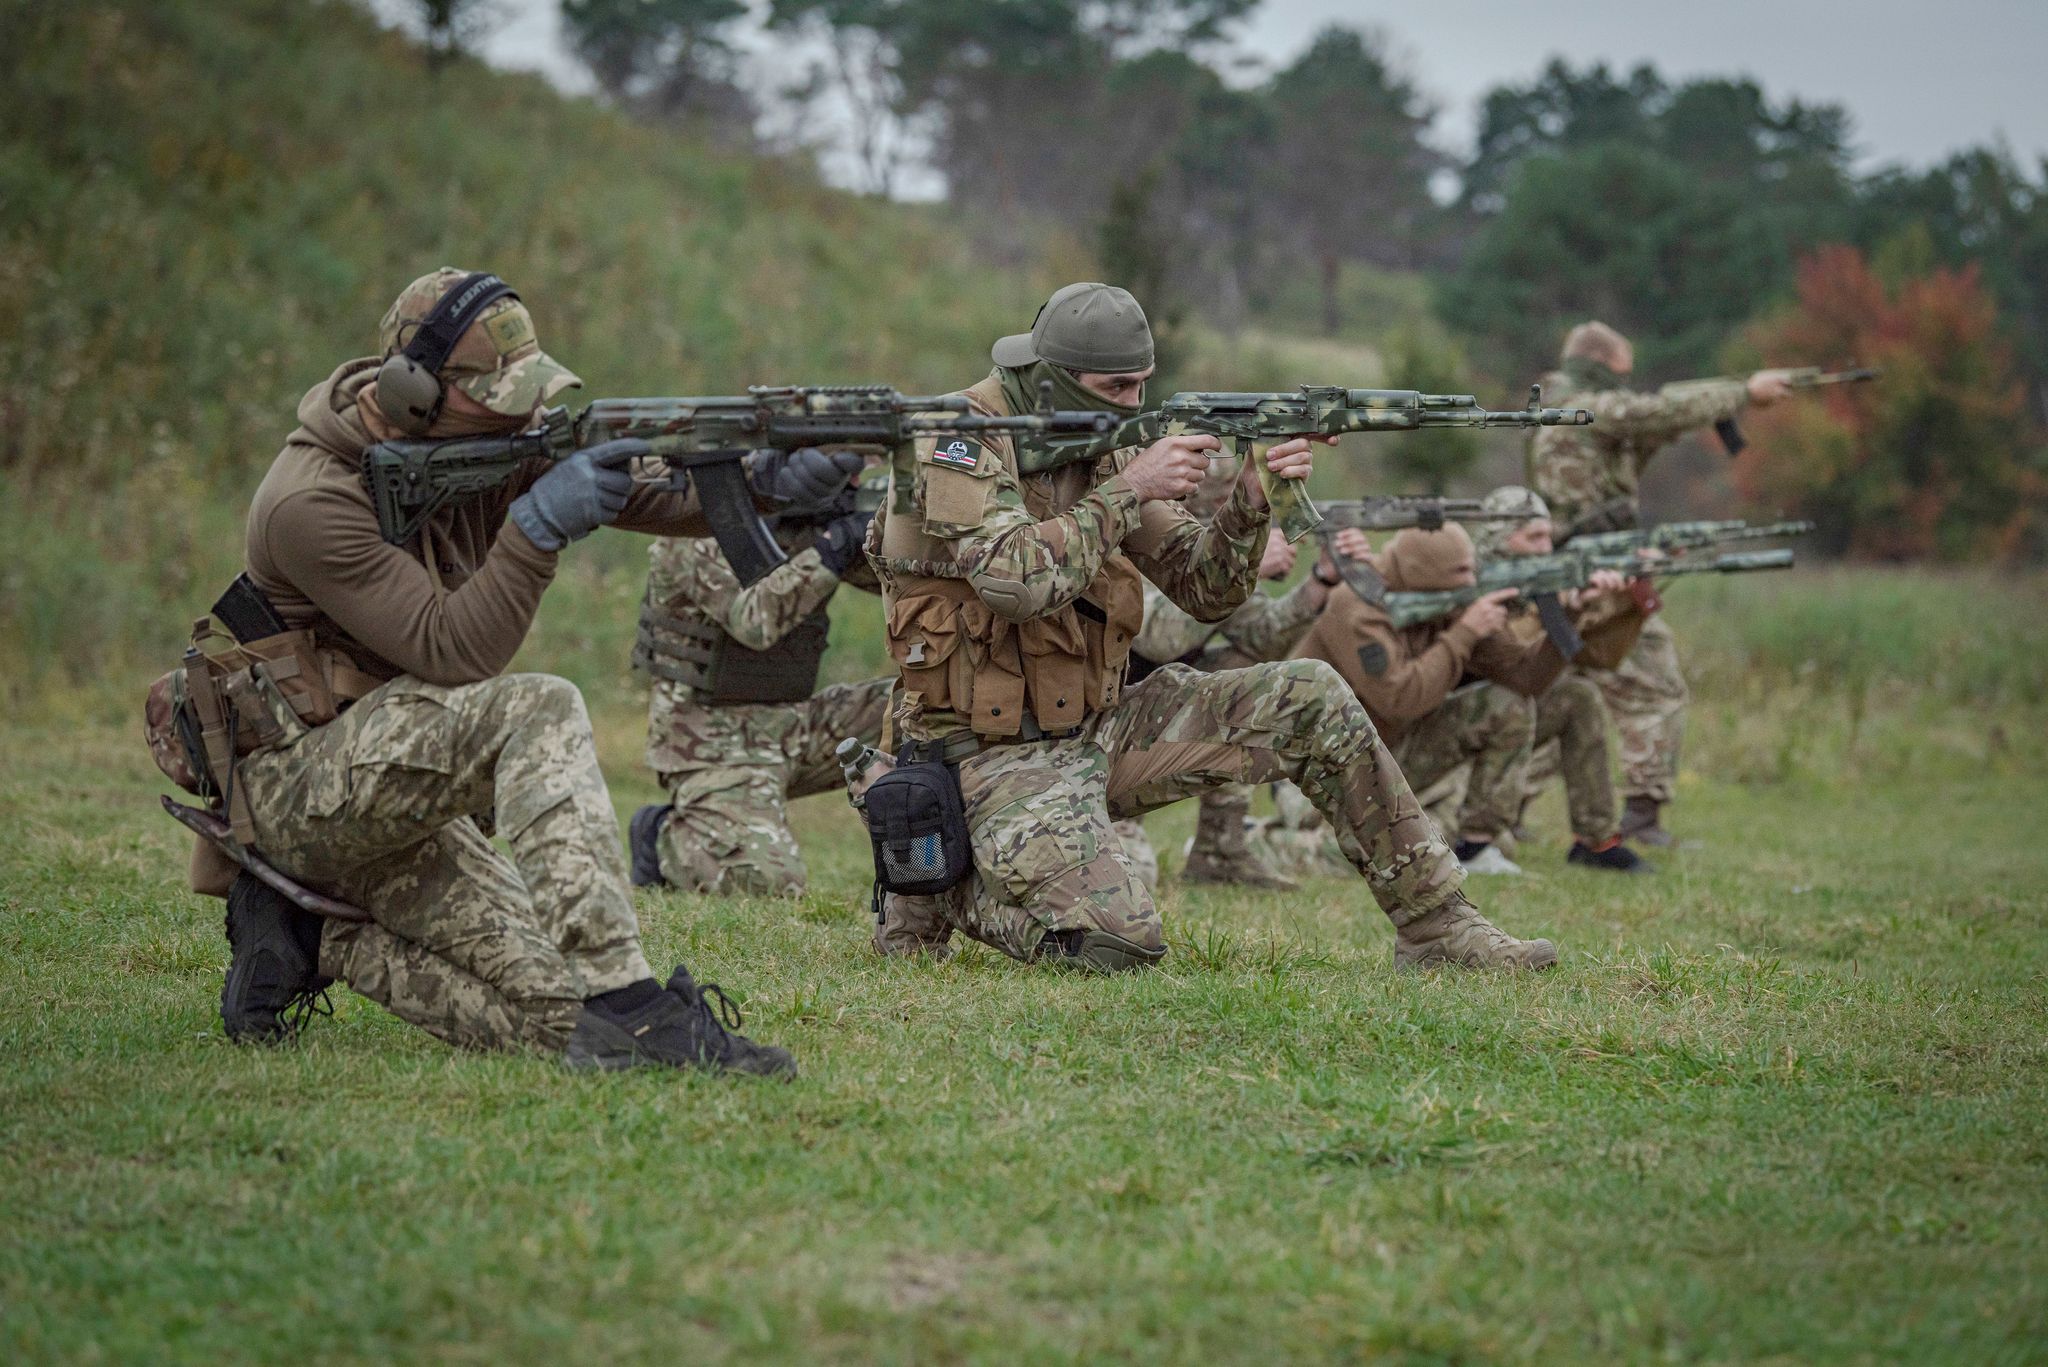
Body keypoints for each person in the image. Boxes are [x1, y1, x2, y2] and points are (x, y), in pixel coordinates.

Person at [177, 268, 804, 1075]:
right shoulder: (308, 501)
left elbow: (649, 494)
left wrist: (771, 485)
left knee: (563, 1017)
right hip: (297, 789)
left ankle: (314, 935)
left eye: (532, 391)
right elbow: (452, 649)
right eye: (500, 395)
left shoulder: (475, 443)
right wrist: (536, 530)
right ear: (411, 394)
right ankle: (629, 997)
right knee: (537, 706)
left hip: (397, 783)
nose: (528, 414)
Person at [866, 282, 1556, 972]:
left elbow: (1204, 589)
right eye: (1117, 387)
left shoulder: (1099, 447)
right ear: (1052, 381)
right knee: (1118, 944)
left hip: (1095, 726)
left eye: (1143, 384)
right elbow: (1014, 582)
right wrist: (1133, 487)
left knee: (1312, 697)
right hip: (984, 754)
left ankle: (1439, 929)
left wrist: (1250, 502)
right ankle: (945, 887)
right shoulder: (954, 438)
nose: (1135, 403)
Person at [1528, 321, 1794, 847]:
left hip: (1575, 566)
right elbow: (1656, 411)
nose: (1627, 385)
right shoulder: (1585, 407)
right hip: (1596, 569)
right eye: (1620, 374)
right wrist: (1744, 393)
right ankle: (1641, 817)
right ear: (1600, 367)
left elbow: (1659, 419)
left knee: (1561, 693)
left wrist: (1717, 402)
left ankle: (1494, 812)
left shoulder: (1555, 408)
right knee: (1655, 687)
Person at [1278, 520, 1632, 877]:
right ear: (1424, 575)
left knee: (1506, 705)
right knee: (1368, 854)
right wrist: (1464, 634)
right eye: (1462, 575)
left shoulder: (1451, 600)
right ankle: (1263, 838)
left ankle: (1475, 846)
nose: (1471, 584)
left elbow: (1524, 680)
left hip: (1391, 752)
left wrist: (1572, 611)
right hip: (1320, 769)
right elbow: (1398, 700)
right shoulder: (1356, 605)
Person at [627, 467, 891, 897]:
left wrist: (881, 531)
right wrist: (833, 546)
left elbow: (897, 580)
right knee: (765, 881)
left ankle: (933, 853)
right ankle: (663, 837)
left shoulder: (808, 524)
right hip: (713, 743)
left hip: (797, 724)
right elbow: (754, 620)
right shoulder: (693, 526)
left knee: (939, 705)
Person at [1112, 509, 1349, 892]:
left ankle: (1221, 846)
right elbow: (1155, 637)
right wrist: (1236, 563)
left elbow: (1261, 639)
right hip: (1095, 725)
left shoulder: (1192, 533)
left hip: (1142, 714)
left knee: (1244, 675)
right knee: (1128, 882)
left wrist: (1319, 581)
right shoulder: (1129, 521)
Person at [1465, 486, 1652, 873]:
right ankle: (1473, 841)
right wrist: (1563, 607)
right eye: (1533, 537)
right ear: (1499, 539)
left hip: (1490, 724)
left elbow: (1597, 657)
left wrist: (1605, 603)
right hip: (1449, 735)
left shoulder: (1533, 588)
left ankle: (1597, 840)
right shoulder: (1470, 584)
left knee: (1578, 696)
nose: (1546, 547)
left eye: (1548, 536)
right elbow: (1517, 669)